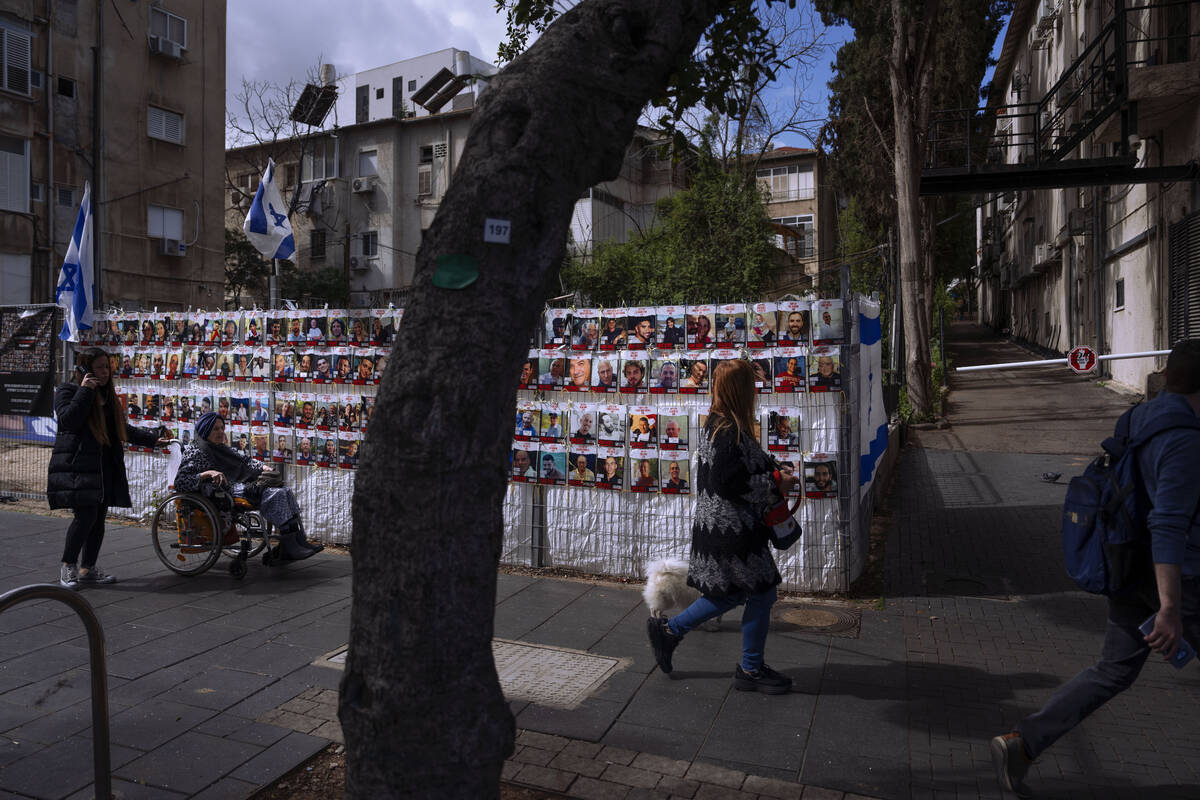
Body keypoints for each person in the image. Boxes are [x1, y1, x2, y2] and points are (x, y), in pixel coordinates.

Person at [991, 340, 1200, 798]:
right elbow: (1167, 523)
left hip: (1126, 565)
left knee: (1113, 671)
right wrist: (1170, 608)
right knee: (1113, 670)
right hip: (1175, 581)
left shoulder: (1141, 417)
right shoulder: (1184, 439)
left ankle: (1023, 743)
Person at [645, 359, 800, 694]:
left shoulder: (721, 424)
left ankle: (671, 632)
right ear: (742, 389)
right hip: (732, 533)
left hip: (724, 530)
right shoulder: (728, 431)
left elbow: (738, 472)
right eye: (752, 384)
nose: (756, 390)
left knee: (733, 592)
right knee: (760, 591)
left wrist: (774, 472)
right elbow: (729, 482)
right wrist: (776, 484)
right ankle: (750, 668)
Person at [47, 348, 167, 588]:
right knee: (86, 516)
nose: (105, 372)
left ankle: (87, 567)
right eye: (100, 367)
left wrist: (152, 439)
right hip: (79, 466)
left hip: (104, 466)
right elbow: (68, 420)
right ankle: (67, 565)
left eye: (107, 367)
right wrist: (86, 389)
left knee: (98, 518)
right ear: (85, 368)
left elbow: (122, 430)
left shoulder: (107, 396)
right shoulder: (69, 391)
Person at [175, 412, 321, 560]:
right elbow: (181, 481)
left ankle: (299, 540)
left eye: (221, 428)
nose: (220, 432)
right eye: (215, 429)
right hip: (224, 491)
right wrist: (207, 473)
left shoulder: (222, 448)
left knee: (285, 490)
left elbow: (245, 461)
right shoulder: (197, 452)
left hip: (239, 484)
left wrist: (263, 467)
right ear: (205, 430)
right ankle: (289, 546)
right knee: (274, 493)